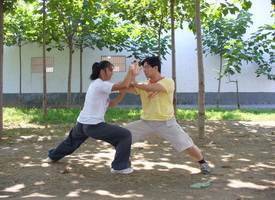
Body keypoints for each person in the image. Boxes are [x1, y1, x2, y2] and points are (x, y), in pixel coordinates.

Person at [44, 60, 141, 174]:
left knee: (70, 142)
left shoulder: (97, 85)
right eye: (110, 70)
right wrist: (130, 71)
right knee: (125, 135)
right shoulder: (101, 84)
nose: (112, 73)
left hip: (81, 124)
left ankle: (52, 157)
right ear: (102, 71)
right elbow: (125, 84)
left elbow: (111, 104)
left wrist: (122, 93)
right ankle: (119, 167)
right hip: (93, 126)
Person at [123, 56, 211, 174]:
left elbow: (151, 87)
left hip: (166, 122)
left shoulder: (168, 82)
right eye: (143, 67)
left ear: (155, 68)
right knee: (122, 135)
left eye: (146, 67)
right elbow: (125, 88)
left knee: (187, 144)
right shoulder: (142, 84)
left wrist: (134, 82)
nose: (144, 70)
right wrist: (132, 73)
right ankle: (125, 160)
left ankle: (203, 162)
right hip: (146, 122)